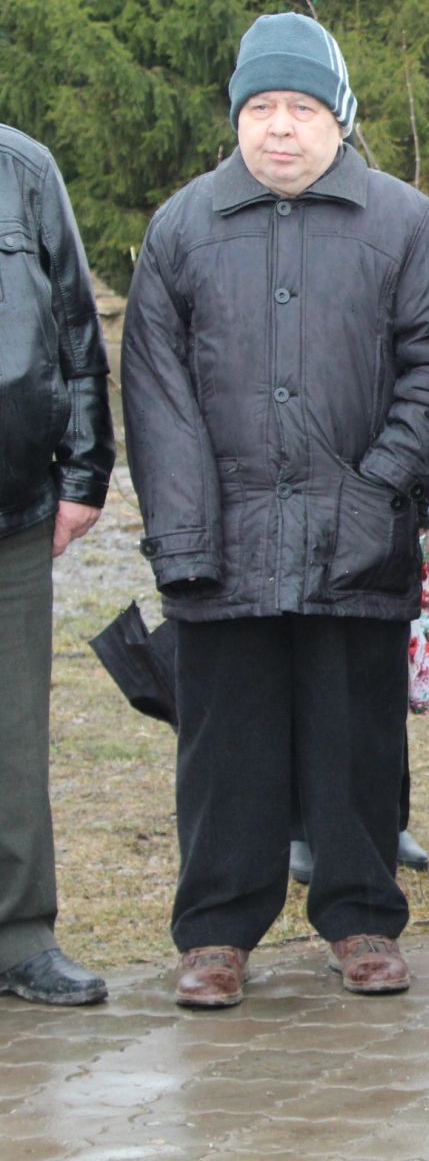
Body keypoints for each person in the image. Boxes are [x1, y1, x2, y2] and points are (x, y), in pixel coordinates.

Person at [122, 14, 429, 1008]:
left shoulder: (403, 221)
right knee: (226, 745)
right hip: (225, 546)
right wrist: (185, 528)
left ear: (338, 118)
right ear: (236, 117)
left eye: (301, 108)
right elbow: (156, 391)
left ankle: (360, 917)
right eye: (260, 108)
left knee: (356, 738)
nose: (279, 129)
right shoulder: (184, 225)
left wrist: (378, 487)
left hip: (360, 533)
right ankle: (218, 930)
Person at [0, 125, 114, 1008]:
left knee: (13, 731)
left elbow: (78, 328)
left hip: (14, 509)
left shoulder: (24, 167)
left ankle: (20, 934)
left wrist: (82, 475)